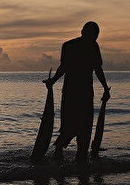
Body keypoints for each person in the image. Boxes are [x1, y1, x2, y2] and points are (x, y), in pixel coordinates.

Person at [44, 21, 111, 162]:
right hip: (75, 93)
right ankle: (64, 155)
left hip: (80, 93)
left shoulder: (75, 46)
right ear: (83, 32)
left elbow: (96, 69)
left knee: (80, 128)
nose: (95, 37)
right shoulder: (73, 46)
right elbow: (64, 67)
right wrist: (53, 81)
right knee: (74, 127)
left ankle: (76, 158)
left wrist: (105, 88)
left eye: (96, 35)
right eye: (94, 34)